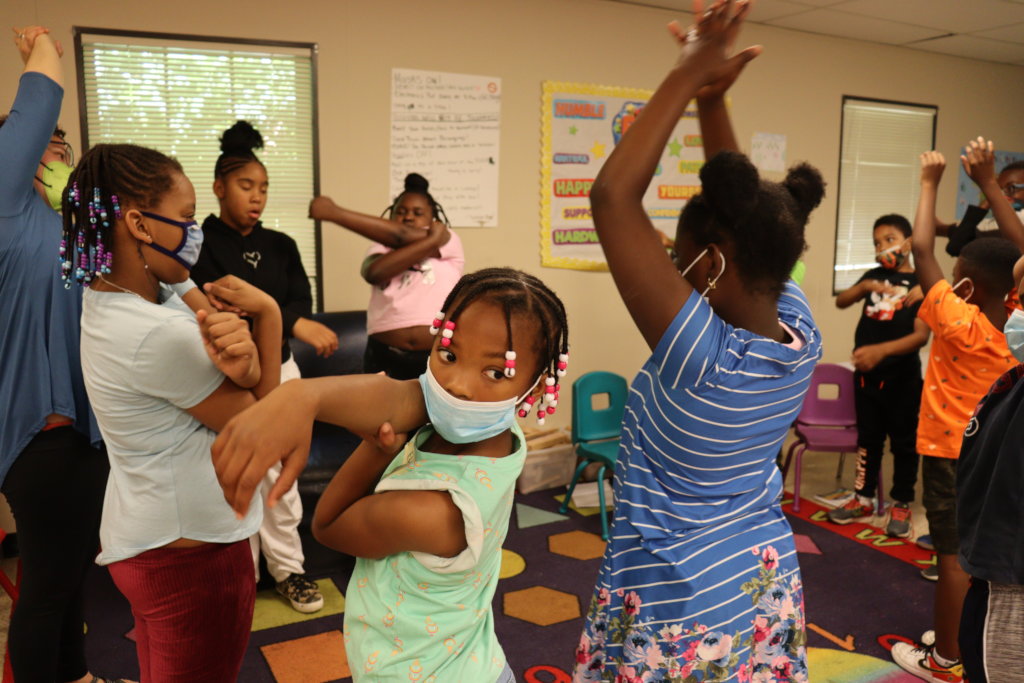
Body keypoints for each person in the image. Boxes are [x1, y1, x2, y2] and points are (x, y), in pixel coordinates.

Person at [571, 2, 825, 679]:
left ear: (709, 264)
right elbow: (749, 220)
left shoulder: (701, 360)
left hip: (677, 596)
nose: (671, 271)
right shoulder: (798, 328)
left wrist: (688, 72)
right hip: (755, 574)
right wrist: (714, 102)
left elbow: (611, 199)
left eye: (678, 259)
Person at [209, 267, 569, 683]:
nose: (458, 385)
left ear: (537, 388)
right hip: (471, 661)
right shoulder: (489, 428)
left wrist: (375, 449)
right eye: (449, 355)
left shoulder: (434, 512)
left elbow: (327, 525)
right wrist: (300, 396)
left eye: (495, 372)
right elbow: (397, 396)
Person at [66, 142, 283, 682]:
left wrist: (200, 299)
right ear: (139, 224)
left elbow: (183, 293)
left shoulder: (112, 296)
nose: (195, 233)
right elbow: (265, 427)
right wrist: (270, 315)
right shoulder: (156, 334)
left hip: (149, 533)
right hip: (193, 557)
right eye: (185, 219)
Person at [0, 26, 131, 683]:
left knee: (73, 571)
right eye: (42, 137)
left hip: (85, 430)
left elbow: (118, 296)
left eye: (62, 143)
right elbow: (45, 84)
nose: (56, 146)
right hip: (39, 435)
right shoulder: (3, 207)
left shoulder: (63, 221)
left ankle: (77, 675)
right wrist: (39, 48)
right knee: (49, 582)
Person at [889, 146, 1022, 682]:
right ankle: (956, 634)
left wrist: (928, 180)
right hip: (990, 455)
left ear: (964, 287)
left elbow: (921, 247)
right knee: (970, 555)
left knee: (952, 556)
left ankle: (945, 656)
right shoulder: (1010, 325)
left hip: (948, 453)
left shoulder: (957, 320)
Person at [190, 120, 327, 613]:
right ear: (219, 187)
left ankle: (289, 569)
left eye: (264, 188)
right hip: (222, 379)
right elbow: (209, 307)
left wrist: (270, 314)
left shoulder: (282, 245)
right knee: (234, 477)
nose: (257, 197)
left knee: (281, 479)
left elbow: (300, 302)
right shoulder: (196, 243)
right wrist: (277, 314)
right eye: (247, 186)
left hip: (282, 372)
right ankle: (241, 578)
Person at [828, 214, 928, 535]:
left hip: (902, 380)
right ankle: (863, 496)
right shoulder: (872, 276)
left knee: (903, 443)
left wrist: (880, 351)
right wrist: (864, 286)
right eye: (876, 242)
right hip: (866, 379)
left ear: (908, 243)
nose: (882, 247)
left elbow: (920, 336)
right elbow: (842, 301)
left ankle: (901, 504)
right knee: (868, 440)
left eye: (889, 239)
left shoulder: (922, 284)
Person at [309, 173, 464, 379]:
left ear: (433, 219)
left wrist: (334, 213)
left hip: (436, 356)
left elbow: (402, 235)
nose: (408, 217)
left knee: (433, 411)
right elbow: (374, 273)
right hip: (384, 355)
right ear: (390, 217)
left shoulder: (448, 240)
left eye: (418, 213)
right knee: (379, 411)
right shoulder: (380, 247)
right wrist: (431, 241)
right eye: (401, 212)